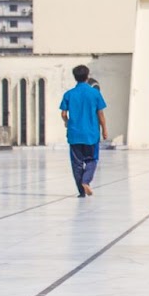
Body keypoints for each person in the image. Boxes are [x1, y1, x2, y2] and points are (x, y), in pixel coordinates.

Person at [59, 64, 108, 197]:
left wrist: (67, 123)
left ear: (75, 77)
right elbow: (100, 114)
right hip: (91, 134)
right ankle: (86, 181)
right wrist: (104, 130)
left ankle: (81, 192)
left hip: (74, 134)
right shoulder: (95, 93)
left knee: (77, 163)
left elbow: (63, 114)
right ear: (87, 76)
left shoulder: (69, 94)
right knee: (91, 159)